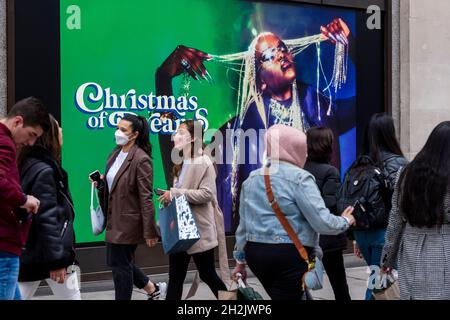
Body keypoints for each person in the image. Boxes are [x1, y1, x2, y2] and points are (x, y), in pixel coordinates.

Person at [155, 19, 355, 232]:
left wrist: (349, 40)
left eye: (282, 48)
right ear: (259, 79)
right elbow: (179, 170)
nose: (280, 55)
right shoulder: (234, 132)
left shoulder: (321, 109)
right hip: (266, 237)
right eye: (268, 56)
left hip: (316, 234)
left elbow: (362, 100)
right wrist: (163, 81)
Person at [231, 124, 355, 300]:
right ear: (293, 148)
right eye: (302, 148)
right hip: (288, 256)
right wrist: (345, 221)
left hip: (256, 255)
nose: (305, 154)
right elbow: (322, 221)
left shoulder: (252, 178)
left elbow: (243, 227)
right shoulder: (300, 178)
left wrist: (240, 262)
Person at [93, 114, 165, 300]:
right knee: (118, 262)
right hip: (113, 218)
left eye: (123, 129)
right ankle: (152, 288)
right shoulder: (115, 153)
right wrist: (101, 182)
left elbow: (146, 197)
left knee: (120, 267)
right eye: (118, 127)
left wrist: (150, 231)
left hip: (128, 223)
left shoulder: (141, 159)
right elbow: (114, 183)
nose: (118, 132)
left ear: (135, 134)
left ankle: (147, 290)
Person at [157, 120, 229, 300]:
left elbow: (207, 194)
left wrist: (174, 193)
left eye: (181, 132)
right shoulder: (181, 162)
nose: (176, 136)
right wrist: (170, 196)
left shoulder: (203, 161)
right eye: (176, 132)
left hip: (199, 230)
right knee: (175, 278)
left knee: (208, 275)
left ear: (194, 138)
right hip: (180, 230)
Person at [380, 121, 450, 300]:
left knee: (413, 293)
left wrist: (387, 258)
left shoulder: (406, 173)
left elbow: (395, 218)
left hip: (411, 246)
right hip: (443, 246)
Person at [17, 115, 80, 300]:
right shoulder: (46, 170)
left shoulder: (29, 163)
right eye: (58, 127)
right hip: (50, 253)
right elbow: (48, 217)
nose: (62, 131)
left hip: (34, 252)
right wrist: (57, 260)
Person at [352, 113, 408, 300]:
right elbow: (401, 206)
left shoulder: (359, 163)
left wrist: (355, 238)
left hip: (362, 233)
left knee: (378, 281)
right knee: (379, 287)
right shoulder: (398, 163)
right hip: (384, 235)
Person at [0, 97, 49, 300]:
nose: (30, 142)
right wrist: (23, 199)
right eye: (31, 135)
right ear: (17, 121)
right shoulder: (5, 143)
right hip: (4, 243)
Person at [303, 127, 351, 301]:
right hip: (328, 237)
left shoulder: (300, 169)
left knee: (300, 286)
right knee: (339, 286)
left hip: (305, 237)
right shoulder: (330, 171)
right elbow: (330, 204)